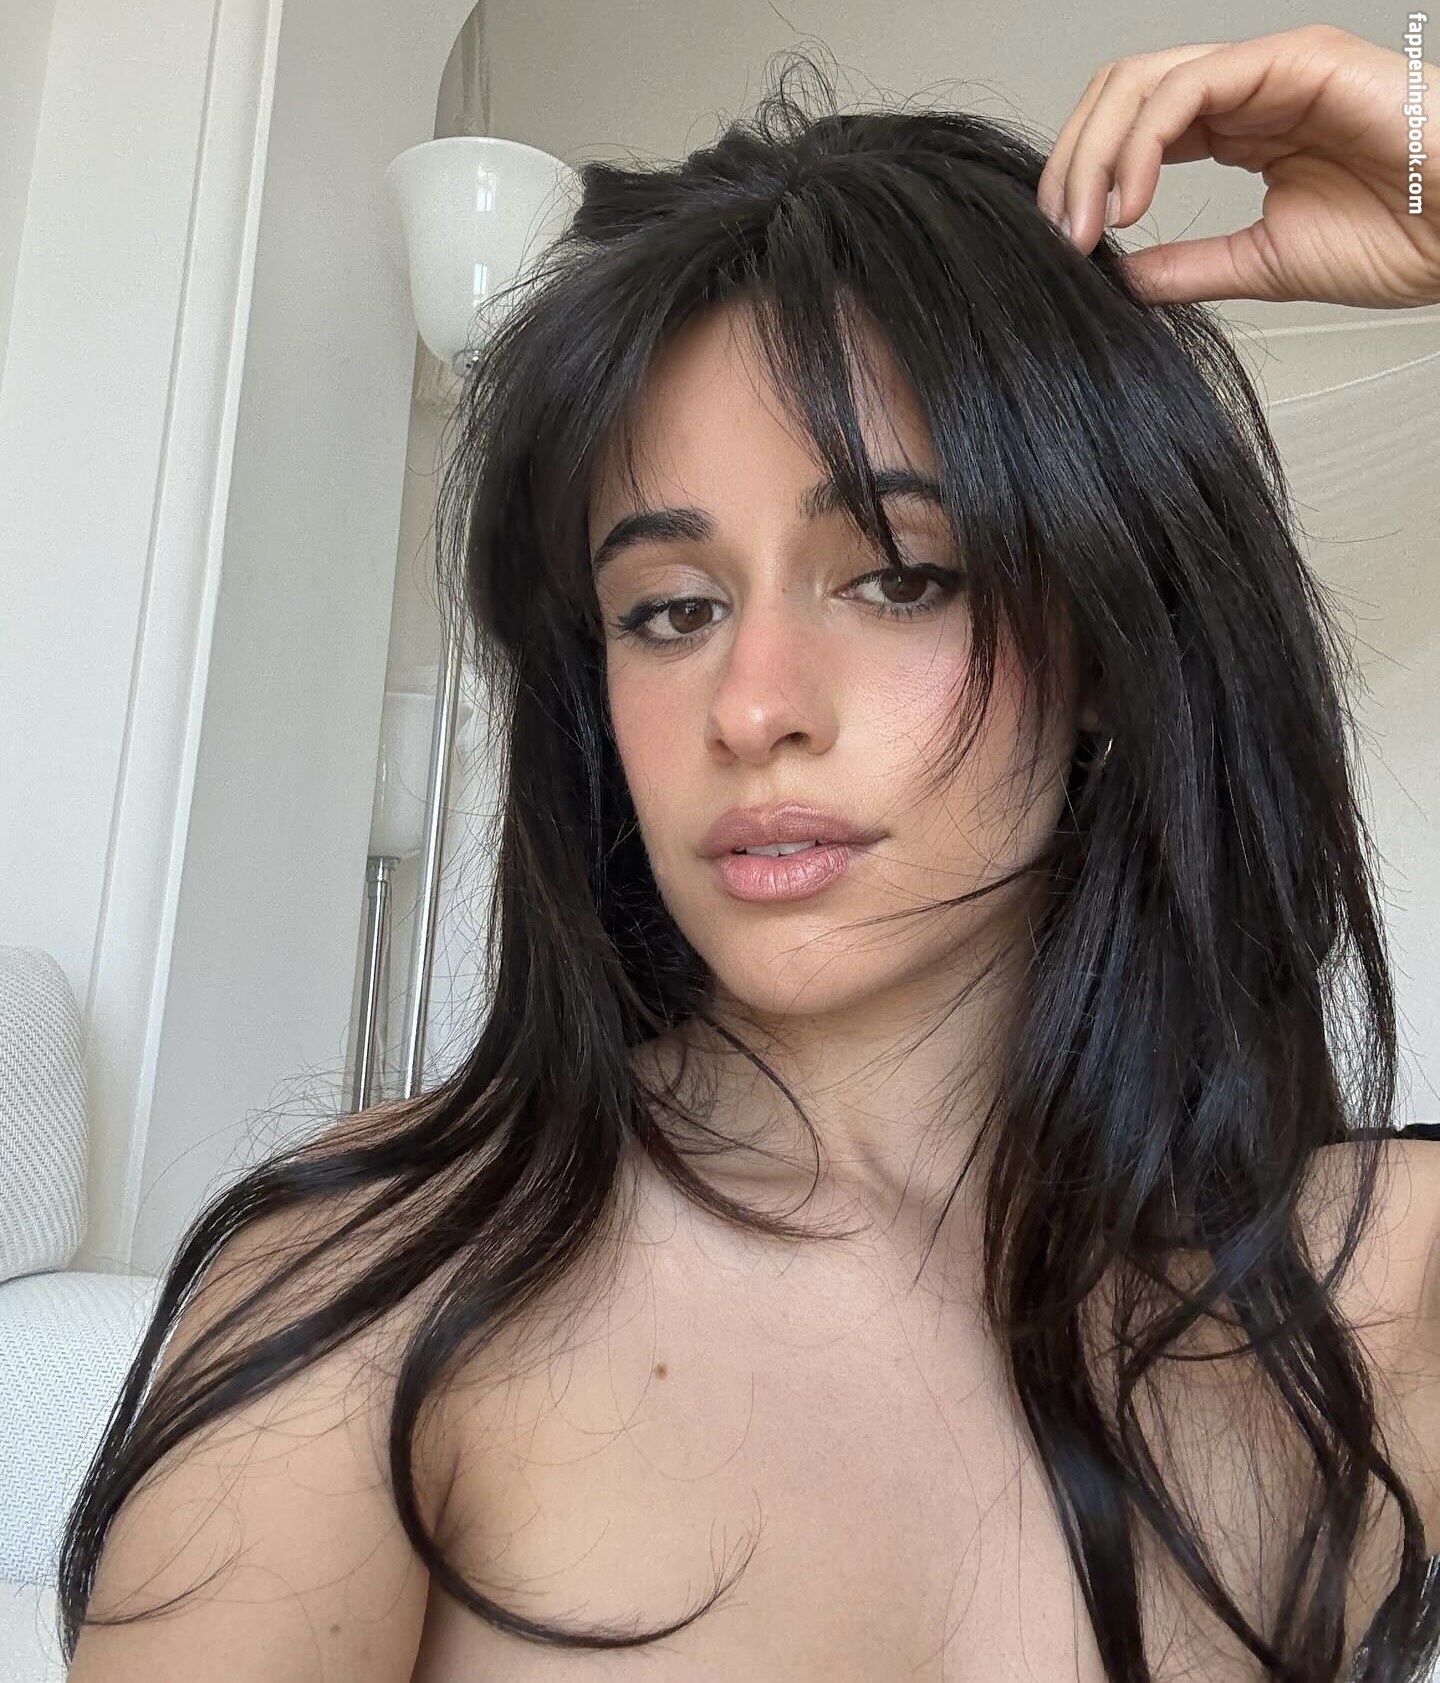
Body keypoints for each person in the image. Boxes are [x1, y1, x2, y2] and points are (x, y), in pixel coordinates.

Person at [60, 22, 1440, 1683]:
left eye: (899, 576)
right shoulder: (370, 1297)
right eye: (671, 610)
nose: (754, 706)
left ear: (1101, 645)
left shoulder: (1376, 1288)